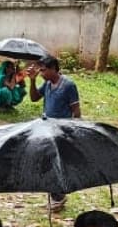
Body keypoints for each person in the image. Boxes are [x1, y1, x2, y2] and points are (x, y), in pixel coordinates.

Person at [29, 57, 80, 210]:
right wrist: (32, 81)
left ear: (53, 69)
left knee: (54, 164)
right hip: (47, 128)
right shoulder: (47, 84)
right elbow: (34, 98)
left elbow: (76, 111)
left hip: (61, 130)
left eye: (43, 70)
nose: (41, 73)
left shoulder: (68, 85)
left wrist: (73, 130)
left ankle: (58, 196)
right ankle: (56, 196)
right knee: (47, 162)